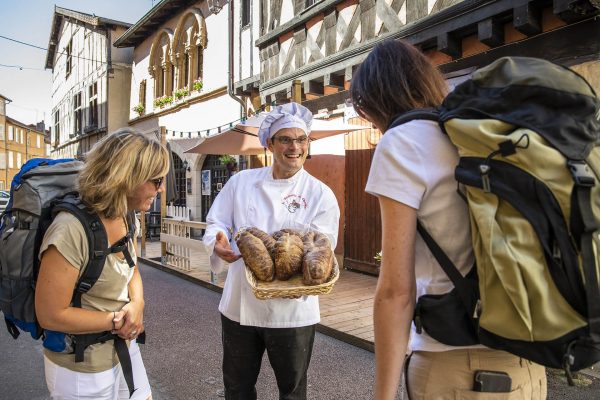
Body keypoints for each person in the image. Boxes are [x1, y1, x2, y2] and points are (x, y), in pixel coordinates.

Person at [351, 39, 547, 399]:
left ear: (376, 101)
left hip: (458, 367)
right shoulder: (479, 132)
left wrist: (382, 395)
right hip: (528, 370)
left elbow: (396, 292)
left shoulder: (402, 142)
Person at [203, 102, 340, 400]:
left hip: (292, 311)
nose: (295, 147)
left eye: (301, 140)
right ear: (269, 144)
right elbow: (217, 221)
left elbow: (324, 244)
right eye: (286, 139)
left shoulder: (320, 194)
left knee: (292, 391)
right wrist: (218, 241)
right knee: (237, 388)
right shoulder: (241, 183)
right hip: (240, 305)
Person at [35, 129, 170, 400]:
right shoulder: (70, 230)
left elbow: (131, 268)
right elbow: (50, 314)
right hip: (81, 367)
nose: (162, 188)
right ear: (126, 177)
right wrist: (116, 321)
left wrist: (138, 304)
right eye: (156, 180)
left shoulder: (124, 215)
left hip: (122, 345)